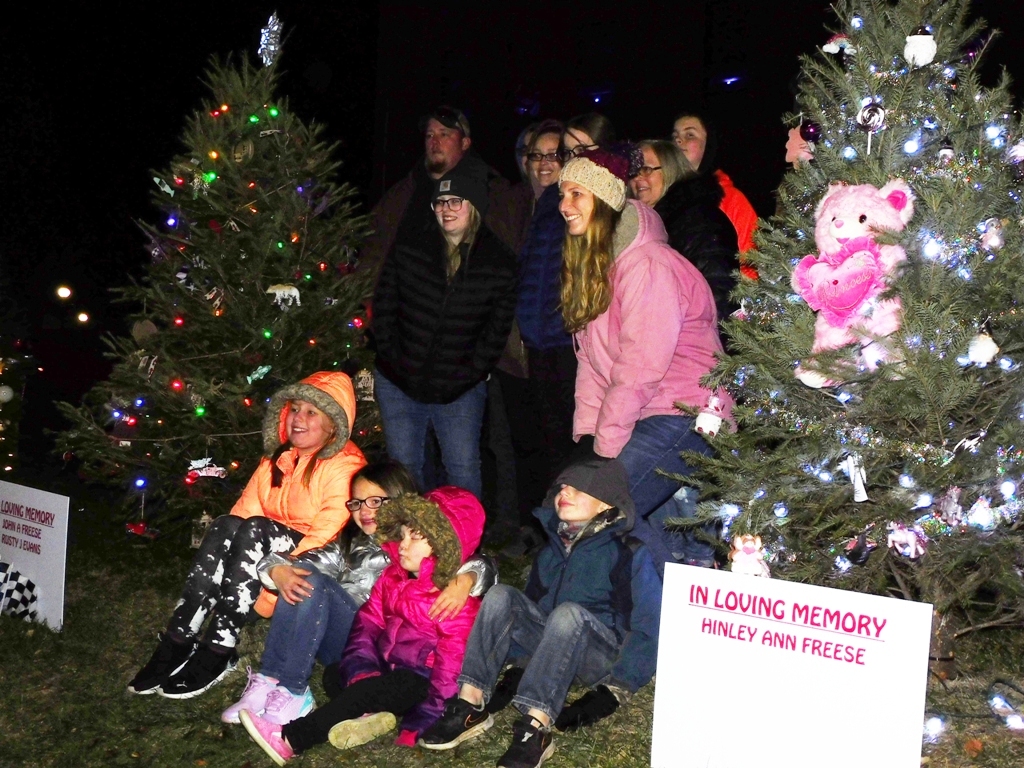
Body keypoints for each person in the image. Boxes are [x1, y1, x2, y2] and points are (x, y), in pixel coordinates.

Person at [127, 372, 366, 699]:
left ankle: (219, 647)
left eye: (312, 412)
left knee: (256, 528)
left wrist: (266, 596)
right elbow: (243, 512)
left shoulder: (346, 465)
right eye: (295, 409)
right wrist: (228, 562)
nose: (298, 418)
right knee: (226, 524)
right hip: (265, 552)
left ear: (333, 425)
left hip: (317, 568)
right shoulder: (278, 457)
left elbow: (327, 537)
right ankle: (178, 638)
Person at [418, 457, 661, 768]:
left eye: (578, 488)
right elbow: (533, 609)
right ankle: (470, 702)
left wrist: (617, 688)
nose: (564, 492)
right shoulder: (551, 551)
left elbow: (649, 625)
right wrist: (519, 667)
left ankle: (535, 727)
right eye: (562, 487)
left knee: (568, 613)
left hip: (601, 655)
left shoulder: (628, 552)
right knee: (502, 595)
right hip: (554, 648)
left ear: (605, 504)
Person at [557, 146, 734, 573]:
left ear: (604, 201)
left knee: (603, 509)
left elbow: (640, 366)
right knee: (648, 531)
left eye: (577, 194)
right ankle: (665, 594)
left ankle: (672, 598)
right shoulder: (598, 267)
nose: (564, 205)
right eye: (562, 194)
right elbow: (592, 364)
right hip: (644, 412)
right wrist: (589, 438)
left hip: (685, 410)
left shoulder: (647, 264)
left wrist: (606, 450)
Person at [221, 460, 497, 726]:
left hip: (386, 647)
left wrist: (468, 577)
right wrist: (276, 569)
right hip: (347, 643)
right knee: (299, 577)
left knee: (311, 583)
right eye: (356, 502)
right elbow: (302, 563)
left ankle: (293, 690)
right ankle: (269, 680)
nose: (364, 510)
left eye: (375, 501)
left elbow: (475, 558)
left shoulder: (419, 542)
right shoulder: (349, 544)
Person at [372, 157, 518, 498]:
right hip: (398, 381)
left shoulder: (499, 262)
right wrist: (393, 358)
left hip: (459, 389)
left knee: (462, 468)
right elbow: (384, 304)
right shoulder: (411, 245)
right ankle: (406, 531)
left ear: (474, 206)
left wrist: (468, 373)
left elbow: (495, 331)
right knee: (404, 468)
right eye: (440, 202)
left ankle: (463, 531)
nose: (446, 209)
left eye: (455, 201)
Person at [357, 106, 510, 283]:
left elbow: (505, 253)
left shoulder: (490, 190)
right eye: (429, 135)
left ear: (465, 143)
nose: (434, 141)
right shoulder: (402, 194)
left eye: (444, 134)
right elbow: (373, 249)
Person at [630, 139, 739, 323]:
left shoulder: (700, 219)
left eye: (647, 169)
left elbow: (719, 292)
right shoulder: (645, 225)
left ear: (671, 169)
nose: (638, 177)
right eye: (633, 171)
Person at [672, 111, 758, 276]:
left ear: (708, 145)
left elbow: (750, 262)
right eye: (675, 136)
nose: (678, 140)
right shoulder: (661, 196)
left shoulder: (730, 198)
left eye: (690, 135)